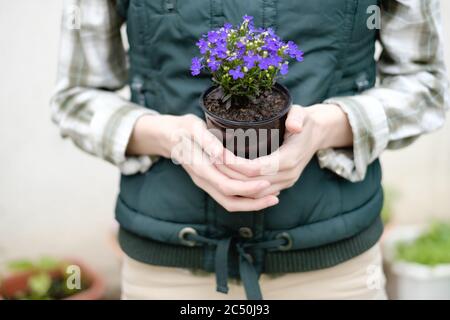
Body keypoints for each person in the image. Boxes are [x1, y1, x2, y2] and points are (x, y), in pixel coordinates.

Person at [51, 0, 449, 300]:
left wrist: (326, 128)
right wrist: (168, 137)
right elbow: (76, 97)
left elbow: (428, 84)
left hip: (331, 270)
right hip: (169, 267)